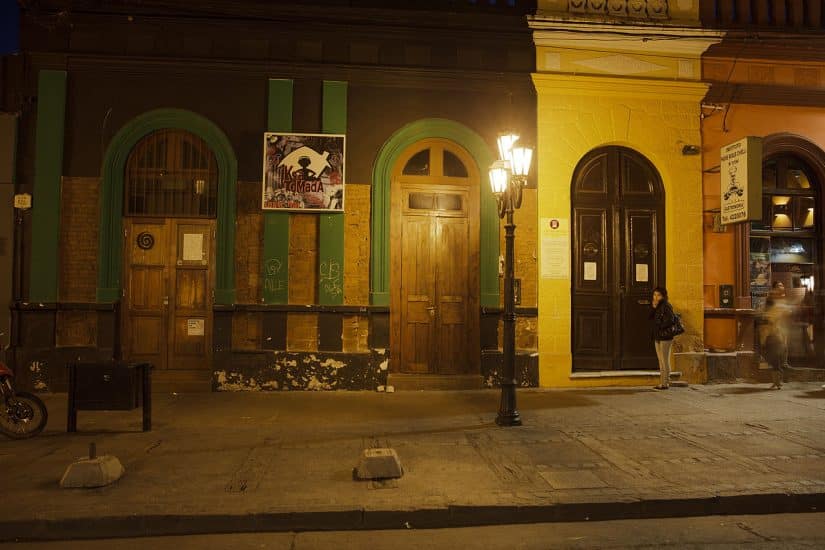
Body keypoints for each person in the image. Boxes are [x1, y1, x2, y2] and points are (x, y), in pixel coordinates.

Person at [763, 281, 791, 390]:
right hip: (773, 332)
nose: (781, 287)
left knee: (780, 357)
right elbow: (767, 314)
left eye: (782, 285)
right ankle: (777, 381)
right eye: (779, 285)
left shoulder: (783, 300)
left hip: (782, 332)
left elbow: (787, 314)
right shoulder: (771, 299)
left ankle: (778, 380)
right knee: (775, 357)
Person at [650, 287, 676, 390]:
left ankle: (665, 383)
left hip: (665, 336)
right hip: (658, 336)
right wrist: (653, 307)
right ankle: (662, 382)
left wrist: (660, 326)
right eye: (655, 295)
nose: (656, 297)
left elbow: (671, 320)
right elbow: (650, 317)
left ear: (663, 296)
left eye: (659, 295)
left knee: (665, 360)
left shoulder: (666, 305)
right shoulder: (657, 306)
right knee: (660, 360)